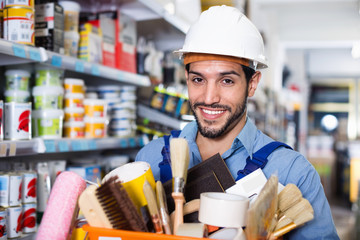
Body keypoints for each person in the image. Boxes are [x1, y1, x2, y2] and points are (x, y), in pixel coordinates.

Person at [135, 5, 339, 240]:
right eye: (198, 79)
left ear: (252, 83)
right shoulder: (149, 161)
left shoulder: (292, 172)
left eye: (227, 81)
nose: (209, 98)